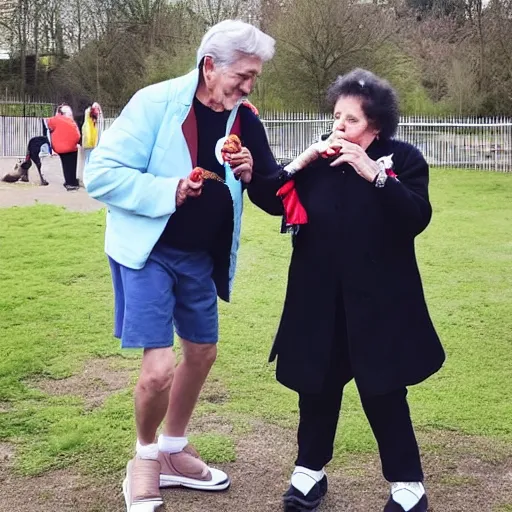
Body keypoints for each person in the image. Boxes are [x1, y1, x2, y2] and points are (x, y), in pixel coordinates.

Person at [84, 19, 281, 512]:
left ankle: (173, 448)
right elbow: (101, 174)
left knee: (202, 353)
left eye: (255, 77)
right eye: (245, 75)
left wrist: (254, 172)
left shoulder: (244, 118)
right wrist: (168, 190)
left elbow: (271, 194)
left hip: (200, 257)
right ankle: (145, 457)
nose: (249, 86)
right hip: (148, 251)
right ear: (210, 66)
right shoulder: (154, 103)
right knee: (158, 370)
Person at [253, 68, 446, 512]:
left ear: (376, 126)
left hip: (380, 302)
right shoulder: (318, 160)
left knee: (383, 389)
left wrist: (374, 174)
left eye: (352, 120)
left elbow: (416, 217)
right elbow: (270, 198)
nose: (339, 127)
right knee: (315, 384)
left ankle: (407, 483)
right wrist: (299, 161)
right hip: (316, 297)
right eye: (337, 116)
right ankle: (309, 471)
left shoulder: (404, 159)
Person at [47, 104, 81, 190]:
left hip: (60, 148)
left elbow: (48, 125)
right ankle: (72, 182)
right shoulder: (71, 121)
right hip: (72, 147)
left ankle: (68, 182)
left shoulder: (55, 120)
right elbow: (77, 135)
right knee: (72, 166)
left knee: (65, 165)